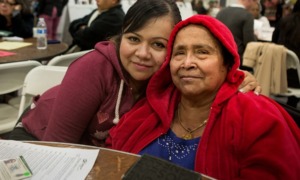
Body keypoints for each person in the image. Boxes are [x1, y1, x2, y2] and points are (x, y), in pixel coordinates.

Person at [8, 0, 260, 147]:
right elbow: (57, 148)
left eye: (158, 45)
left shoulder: (170, 77)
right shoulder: (94, 68)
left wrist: (237, 79)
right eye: (133, 38)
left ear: (171, 49)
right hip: (36, 141)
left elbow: (206, 79)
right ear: (121, 36)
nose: (142, 53)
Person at [107, 15, 300, 179]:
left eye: (202, 52)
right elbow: (111, 157)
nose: (187, 63)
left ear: (227, 63)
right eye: (179, 53)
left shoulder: (258, 118)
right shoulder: (153, 107)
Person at [272, 0, 300, 108]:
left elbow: (273, 44)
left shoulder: (284, 21)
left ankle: (291, 103)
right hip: (297, 79)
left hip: (280, 75)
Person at [216, 0, 256, 69]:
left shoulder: (221, 12)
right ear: (249, 1)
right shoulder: (247, 15)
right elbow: (249, 42)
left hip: (219, 55)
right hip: (237, 58)